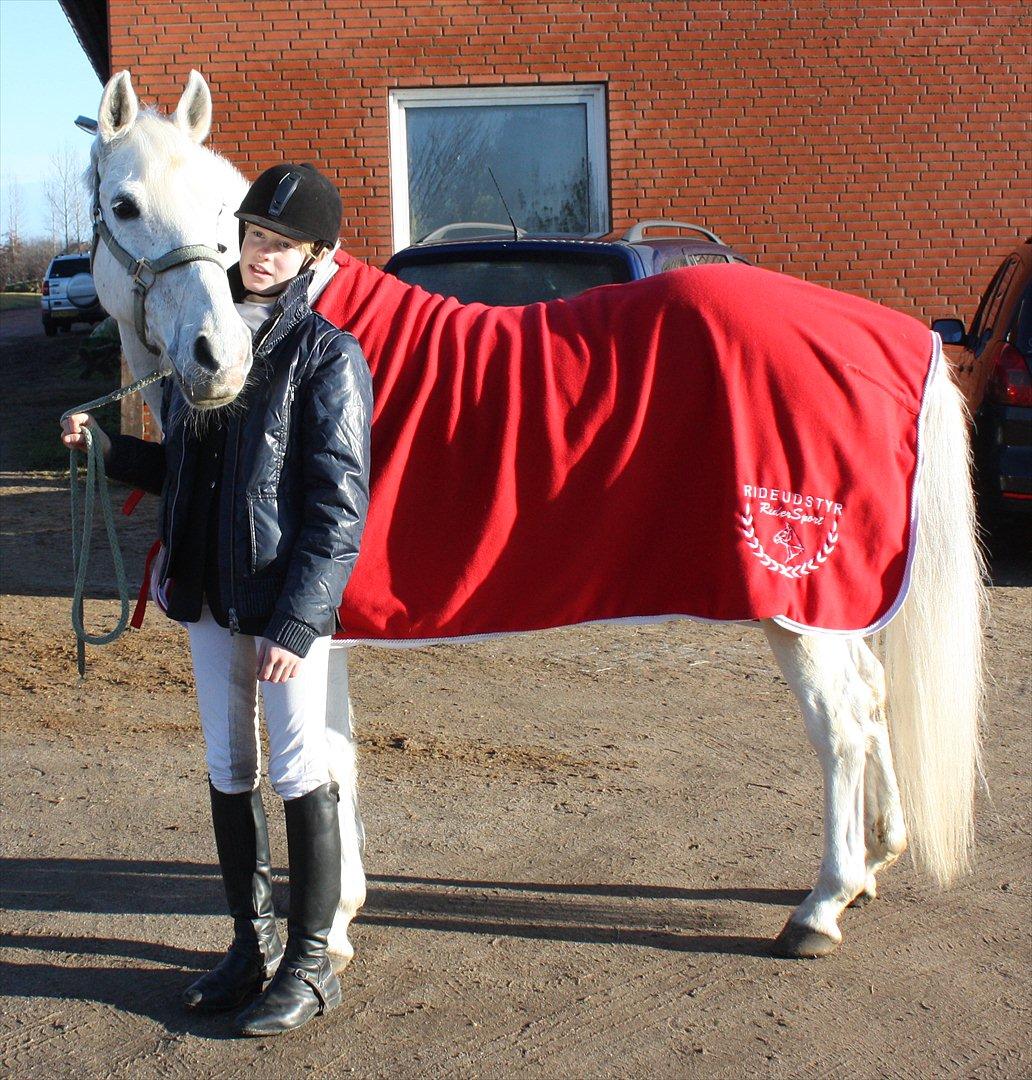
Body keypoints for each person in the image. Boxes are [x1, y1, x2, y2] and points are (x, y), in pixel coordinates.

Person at [60, 163, 373, 1037]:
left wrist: (301, 620)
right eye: (256, 237)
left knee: (300, 769)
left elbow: (338, 509)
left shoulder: (328, 358)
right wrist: (109, 448)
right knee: (229, 771)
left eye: (284, 244)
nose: (263, 255)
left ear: (317, 256)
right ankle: (251, 943)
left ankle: (312, 966)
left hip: (279, 603)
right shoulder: (200, 340)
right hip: (204, 594)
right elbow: (182, 474)